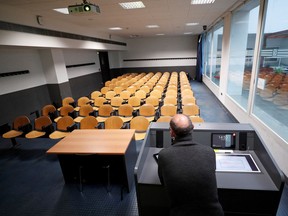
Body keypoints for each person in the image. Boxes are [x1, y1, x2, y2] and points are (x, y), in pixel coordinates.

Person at [157, 114, 224, 216]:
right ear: (192, 128)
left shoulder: (163, 155)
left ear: (171, 132)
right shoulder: (209, 151)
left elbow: (163, 183)